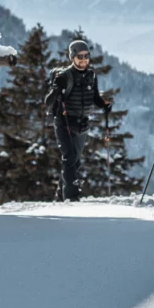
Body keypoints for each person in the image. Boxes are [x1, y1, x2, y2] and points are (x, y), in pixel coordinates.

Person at [45, 39, 112, 202]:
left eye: (86, 56)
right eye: (80, 56)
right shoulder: (64, 76)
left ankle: (60, 197)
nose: (84, 60)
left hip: (82, 124)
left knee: (75, 162)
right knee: (69, 158)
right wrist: (56, 89)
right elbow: (48, 102)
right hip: (64, 123)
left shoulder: (91, 75)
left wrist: (103, 105)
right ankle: (71, 198)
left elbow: (94, 97)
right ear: (72, 57)